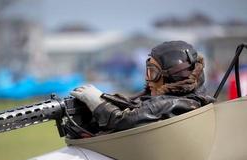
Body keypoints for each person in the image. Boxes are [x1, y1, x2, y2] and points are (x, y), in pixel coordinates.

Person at [71, 41, 215, 134]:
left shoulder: (171, 104)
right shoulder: (191, 101)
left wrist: (97, 102)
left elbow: (123, 121)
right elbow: (138, 110)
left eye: (153, 72)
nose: (148, 78)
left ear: (174, 77)